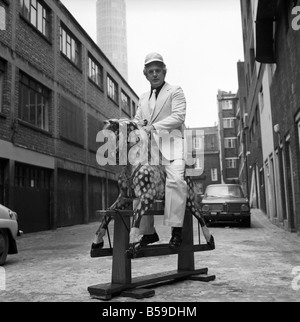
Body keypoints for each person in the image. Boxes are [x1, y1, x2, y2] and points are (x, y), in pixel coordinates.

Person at [133, 52, 187, 249]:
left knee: (176, 181)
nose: (154, 74)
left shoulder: (175, 91)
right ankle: (148, 233)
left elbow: (178, 117)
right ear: (145, 74)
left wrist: (153, 127)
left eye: (158, 70)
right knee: (139, 181)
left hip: (173, 147)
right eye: (150, 71)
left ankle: (176, 231)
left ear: (164, 71)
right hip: (151, 151)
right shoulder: (142, 98)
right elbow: (139, 120)